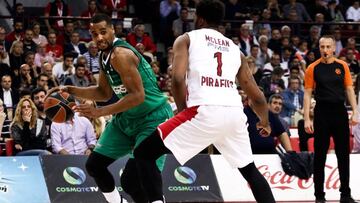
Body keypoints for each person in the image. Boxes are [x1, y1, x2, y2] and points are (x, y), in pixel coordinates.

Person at [134, 1, 275, 202]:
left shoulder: (187, 39)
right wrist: (265, 122)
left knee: (144, 153)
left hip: (203, 111)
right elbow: (258, 97)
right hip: (234, 114)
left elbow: (176, 79)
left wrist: (182, 111)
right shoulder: (236, 50)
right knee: (249, 169)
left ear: (199, 18)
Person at [48, 13, 173, 203]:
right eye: (94, 34)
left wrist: (100, 112)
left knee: (136, 178)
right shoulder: (103, 56)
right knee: (95, 165)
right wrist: (70, 89)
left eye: (103, 32)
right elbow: (103, 92)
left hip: (152, 117)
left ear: (113, 30)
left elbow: (138, 96)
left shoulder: (121, 55)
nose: (99, 38)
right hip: (127, 118)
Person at [304, 35, 358, 203]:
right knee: (320, 156)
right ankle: (319, 196)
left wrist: (355, 111)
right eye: (322, 47)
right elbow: (307, 94)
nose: (325, 50)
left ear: (334, 48)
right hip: (321, 113)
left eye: (328, 47)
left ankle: (346, 194)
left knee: (343, 155)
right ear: (319, 48)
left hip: (340, 113)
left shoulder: (342, 66)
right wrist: (307, 118)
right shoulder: (312, 68)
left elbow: (349, 89)